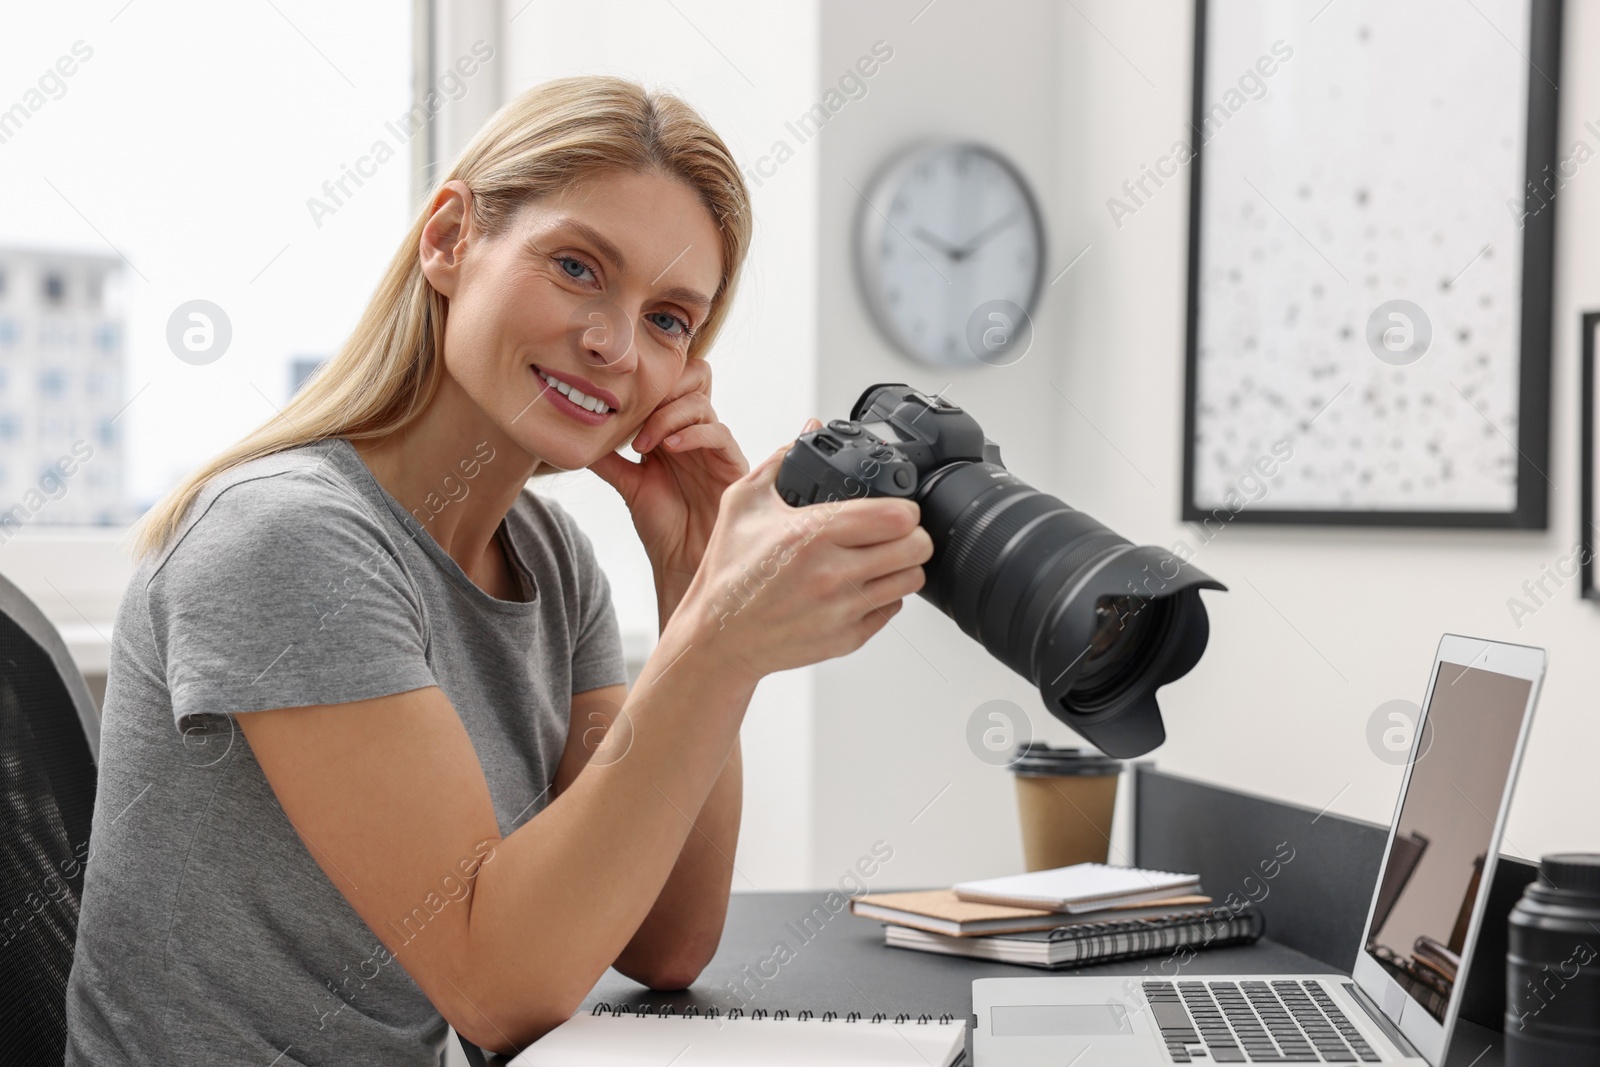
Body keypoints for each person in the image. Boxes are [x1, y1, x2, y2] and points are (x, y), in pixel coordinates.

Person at [62, 75, 931, 1065]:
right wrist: (718, 640)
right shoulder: (284, 539)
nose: (611, 343)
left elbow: (665, 939)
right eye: (576, 266)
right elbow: (496, 986)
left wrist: (692, 580)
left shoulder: (551, 562)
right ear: (449, 239)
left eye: (668, 319)